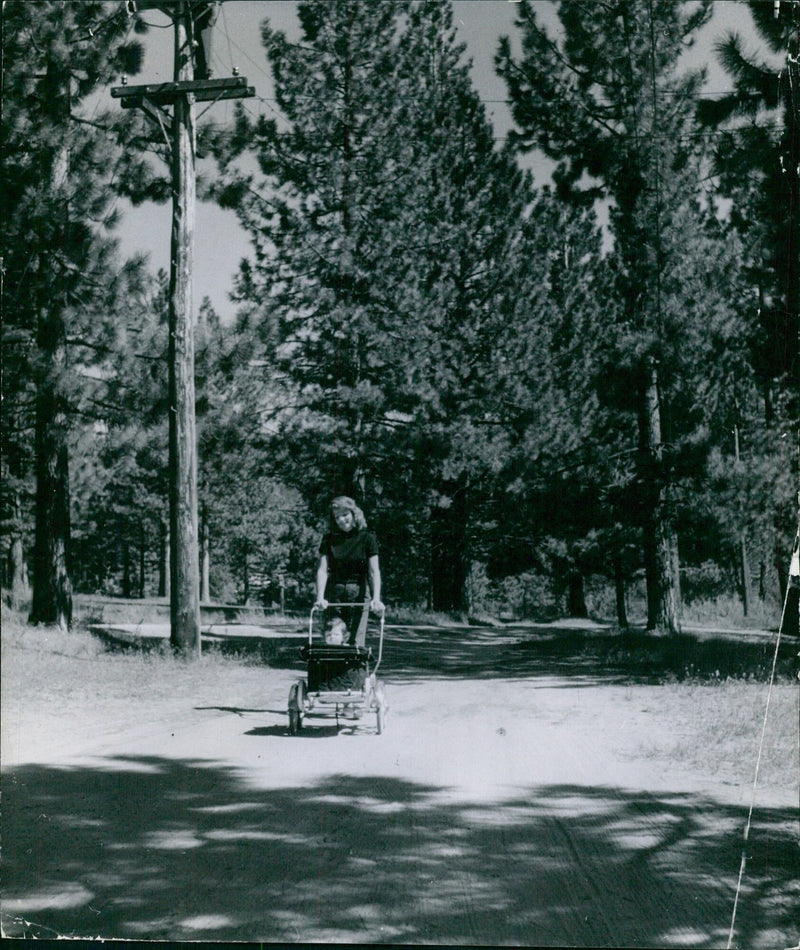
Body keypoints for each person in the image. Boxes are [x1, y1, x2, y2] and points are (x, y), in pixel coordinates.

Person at [314, 496, 384, 647]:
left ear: (354, 514)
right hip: (334, 593)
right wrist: (320, 597)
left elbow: (374, 572)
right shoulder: (329, 539)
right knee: (333, 639)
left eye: (345, 515)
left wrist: (376, 598)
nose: (341, 520)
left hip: (359, 593)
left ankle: (357, 671)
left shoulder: (367, 538)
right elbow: (322, 570)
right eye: (337, 517)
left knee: (356, 645)